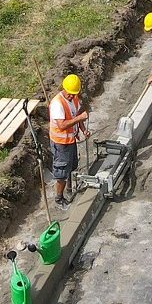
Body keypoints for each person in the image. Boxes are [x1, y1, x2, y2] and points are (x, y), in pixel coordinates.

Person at [48, 74, 89, 208]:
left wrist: (83, 130)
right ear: (64, 88)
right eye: (70, 93)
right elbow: (62, 125)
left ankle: (70, 188)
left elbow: (76, 116)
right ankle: (59, 199)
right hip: (60, 144)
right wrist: (80, 118)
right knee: (61, 173)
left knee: (72, 166)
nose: (72, 96)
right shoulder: (57, 104)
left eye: (74, 94)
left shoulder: (75, 99)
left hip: (70, 141)